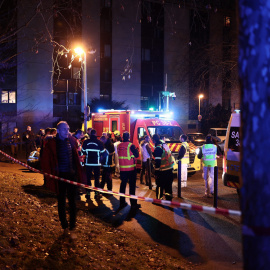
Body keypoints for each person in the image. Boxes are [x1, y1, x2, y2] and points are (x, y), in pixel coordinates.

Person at [41, 121, 86, 237]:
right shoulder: (52, 144)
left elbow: (75, 155)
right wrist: (49, 175)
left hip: (72, 176)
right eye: (65, 129)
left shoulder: (71, 141)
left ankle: (72, 226)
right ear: (59, 131)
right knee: (61, 202)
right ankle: (64, 226)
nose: (68, 131)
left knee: (73, 202)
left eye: (68, 128)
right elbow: (45, 161)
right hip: (60, 177)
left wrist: (79, 160)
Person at [117, 131, 140, 215]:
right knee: (132, 186)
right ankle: (133, 204)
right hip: (131, 169)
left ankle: (122, 202)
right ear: (129, 137)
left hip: (122, 169)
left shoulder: (119, 146)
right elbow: (137, 155)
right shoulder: (131, 145)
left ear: (123, 137)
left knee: (122, 185)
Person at [81, 129, 106, 200]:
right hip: (97, 163)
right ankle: (96, 193)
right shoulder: (99, 142)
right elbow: (103, 153)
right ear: (96, 134)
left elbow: (83, 152)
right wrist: (101, 160)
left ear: (90, 134)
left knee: (88, 178)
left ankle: (88, 194)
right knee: (96, 179)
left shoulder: (86, 142)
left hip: (88, 163)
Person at [152, 134, 174, 200]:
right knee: (168, 185)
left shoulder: (158, 148)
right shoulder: (164, 145)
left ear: (154, 140)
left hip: (163, 170)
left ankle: (159, 199)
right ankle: (169, 198)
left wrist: (156, 172)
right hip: (170, 168)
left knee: (159, 185)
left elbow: (158, 162)